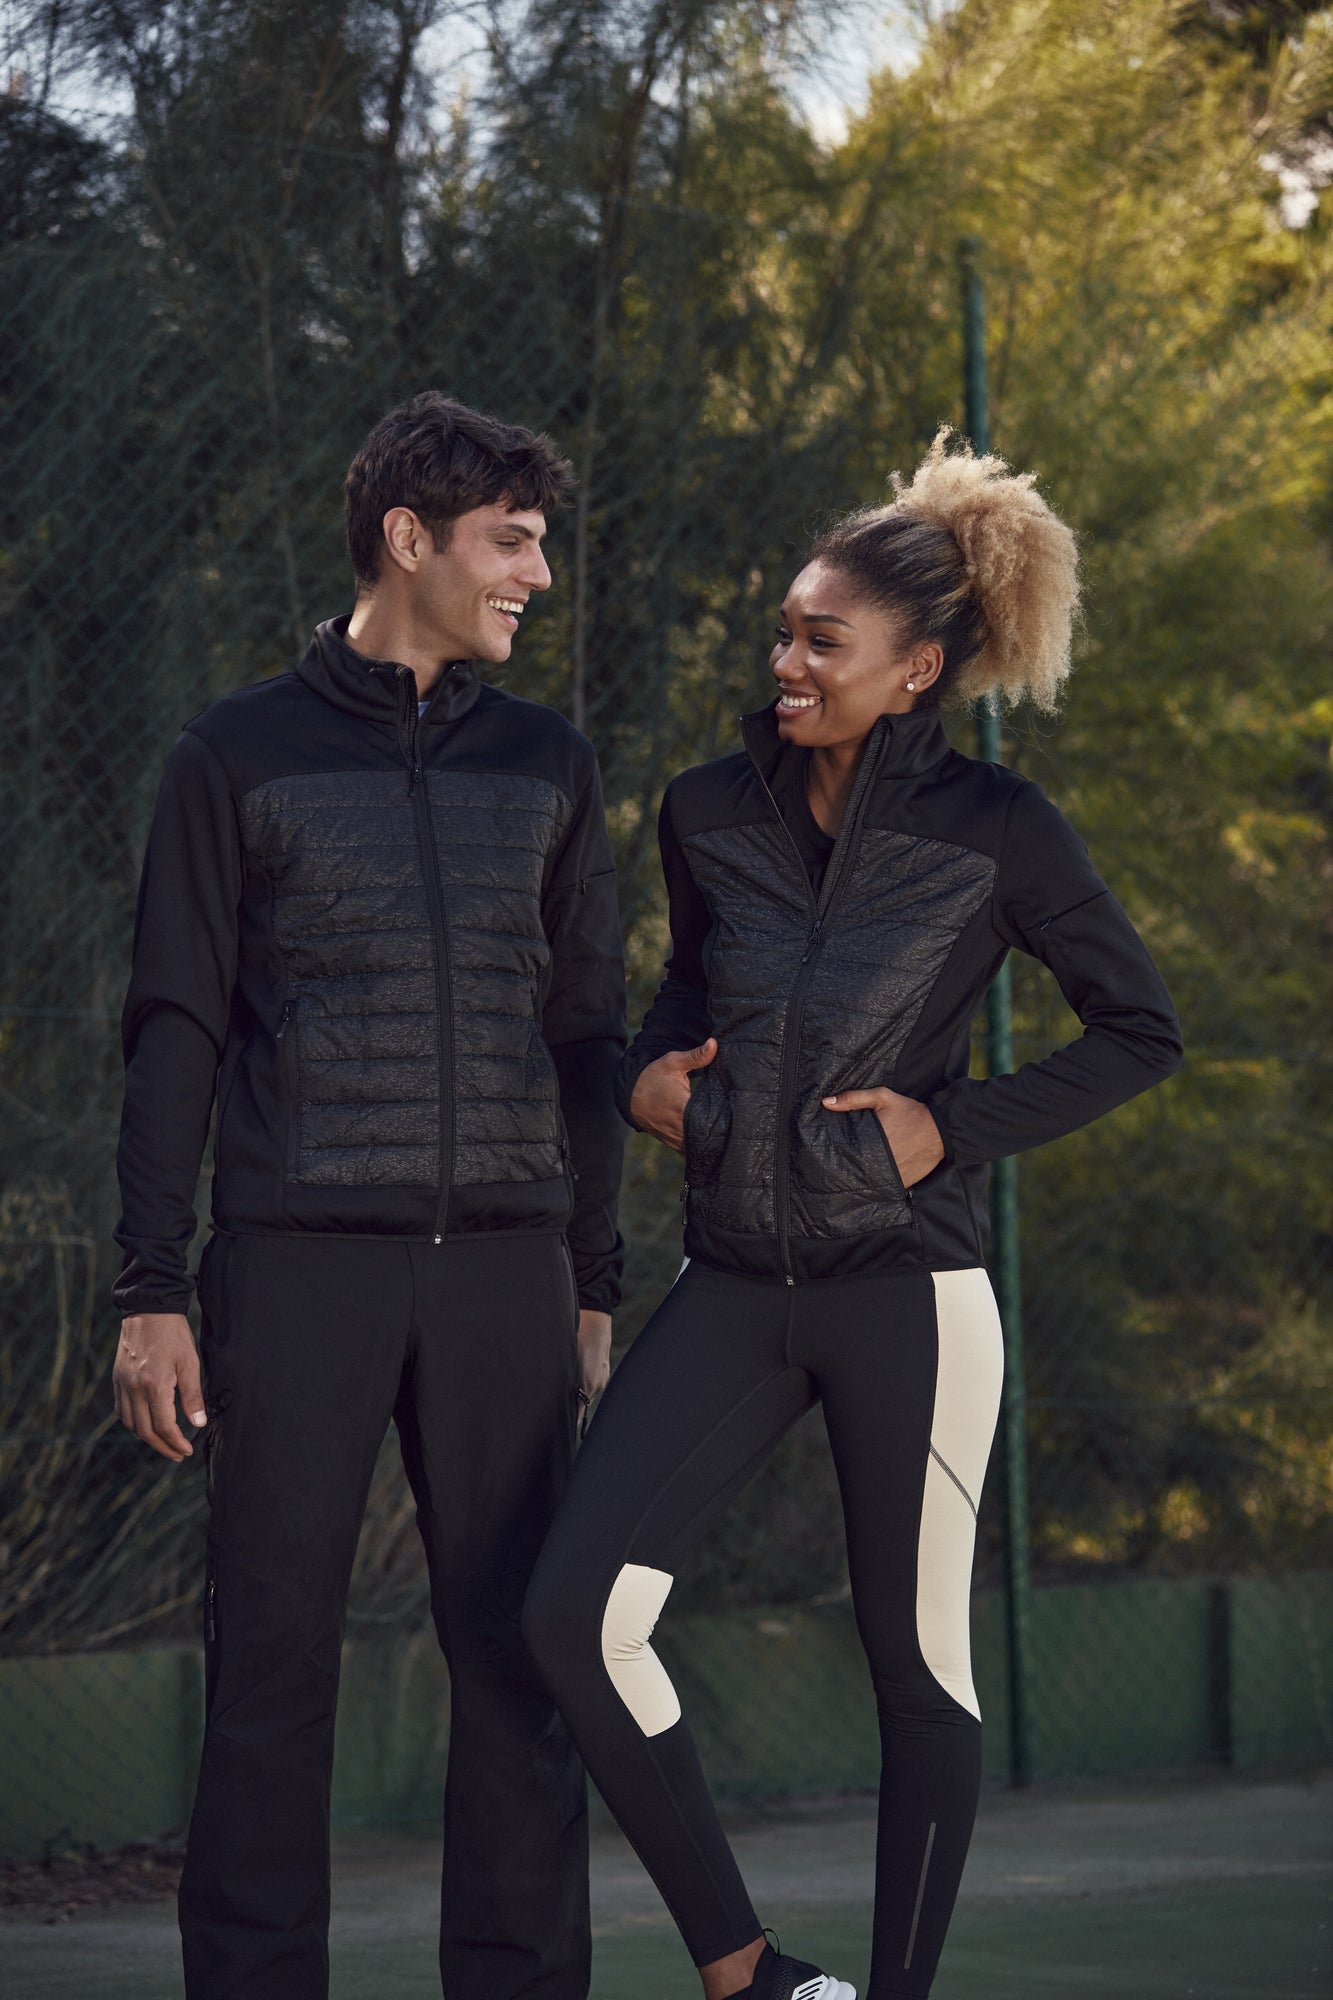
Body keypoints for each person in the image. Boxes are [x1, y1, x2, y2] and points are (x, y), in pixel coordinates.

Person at [522, 430, 1183, 2000]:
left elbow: (1138, 1029)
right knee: (571, 1616)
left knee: (916, 1665)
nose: (786, 663)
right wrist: (649, 1078)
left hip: (910, 1295)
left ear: (915, 671)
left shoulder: (996, 830)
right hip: (734, 1284)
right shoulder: (706, 808)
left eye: (822, 641)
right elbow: (690, 991)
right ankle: (746, 1973)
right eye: (783, 632)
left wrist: (949, 1128)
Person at [111, 392, 627, 2000]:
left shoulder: (548, 763)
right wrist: (150, 1289)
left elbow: (587, 1036)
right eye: (510, 542)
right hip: (293, 1269)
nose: (536, 575)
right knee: (269, 1666)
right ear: (410, 539)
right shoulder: (234, 755)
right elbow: (176, 1028)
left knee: (520, 1661)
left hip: (506, 1274)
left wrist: (592, 1279)